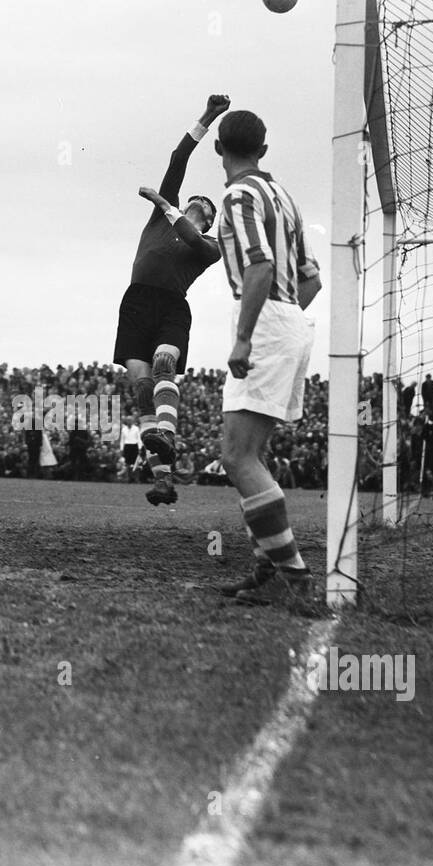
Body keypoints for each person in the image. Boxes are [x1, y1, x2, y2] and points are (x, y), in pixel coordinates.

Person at [209, 109, 322, 598]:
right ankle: (268, 569)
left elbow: (259, 265)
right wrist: (286, 317)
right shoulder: (285, 197)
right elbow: (311, 277)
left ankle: (292, 578)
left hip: (268, 322)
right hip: (291, 318)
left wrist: (248, 335)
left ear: (218, 149)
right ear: (264, 149)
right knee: (251, 455)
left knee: (236, 457)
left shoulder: (238, 195)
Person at [113, 94, 229, 506]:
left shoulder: (209, 245)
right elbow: (178, 160)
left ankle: (167, 435)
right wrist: (208, 116)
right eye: (194, 200)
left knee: (164, 364)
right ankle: (162, 480)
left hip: (171, 307)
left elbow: (192, 237)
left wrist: (165, 204)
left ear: (209, 219)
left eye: (206, 207)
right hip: (136, 303)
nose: (200, 203)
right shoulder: (160, 219)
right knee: (143, 387)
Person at [119, 415, 142, 483]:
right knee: (128, 463)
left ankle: (136, 479)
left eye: (130, 420)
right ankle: (129, 478)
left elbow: (139, 439)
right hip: (127, 446)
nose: (129, 421)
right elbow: (122, 440)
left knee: (136, 463)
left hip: (134, 446)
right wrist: (121, 448)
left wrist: (140, 448)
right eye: (128, 420)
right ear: (126, 421)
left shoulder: (136, 428)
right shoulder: (124, 429)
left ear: (133, 421)